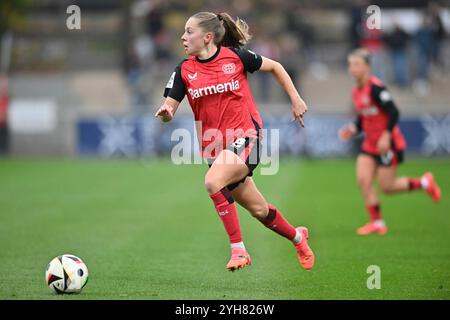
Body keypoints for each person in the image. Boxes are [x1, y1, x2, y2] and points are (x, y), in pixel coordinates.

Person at [155, 12, 314, 271]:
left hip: (247, 138)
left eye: (189, 31)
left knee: (212, 182)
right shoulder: (184, 70)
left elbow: (276, 66)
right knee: (259, 210)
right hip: (214, 151)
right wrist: (167, 113)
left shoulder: (236, 57)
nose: (183, 37)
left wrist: (295, 99)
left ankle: (238, 250)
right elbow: (168, 107)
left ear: (207, 37)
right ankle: (298, 237)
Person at [339, 48, 442, 236]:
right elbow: (364, 117)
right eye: (350, 65)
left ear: (367, 66)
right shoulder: (356, 91)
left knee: (387, 187)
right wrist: (353, 128)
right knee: (363, 180)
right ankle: (377, 222)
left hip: (388, 144)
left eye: (357, 65)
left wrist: (386, 135)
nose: (352, 69)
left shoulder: (376, 88)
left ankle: (424, 183)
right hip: (370, 144)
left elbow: (394, 111)